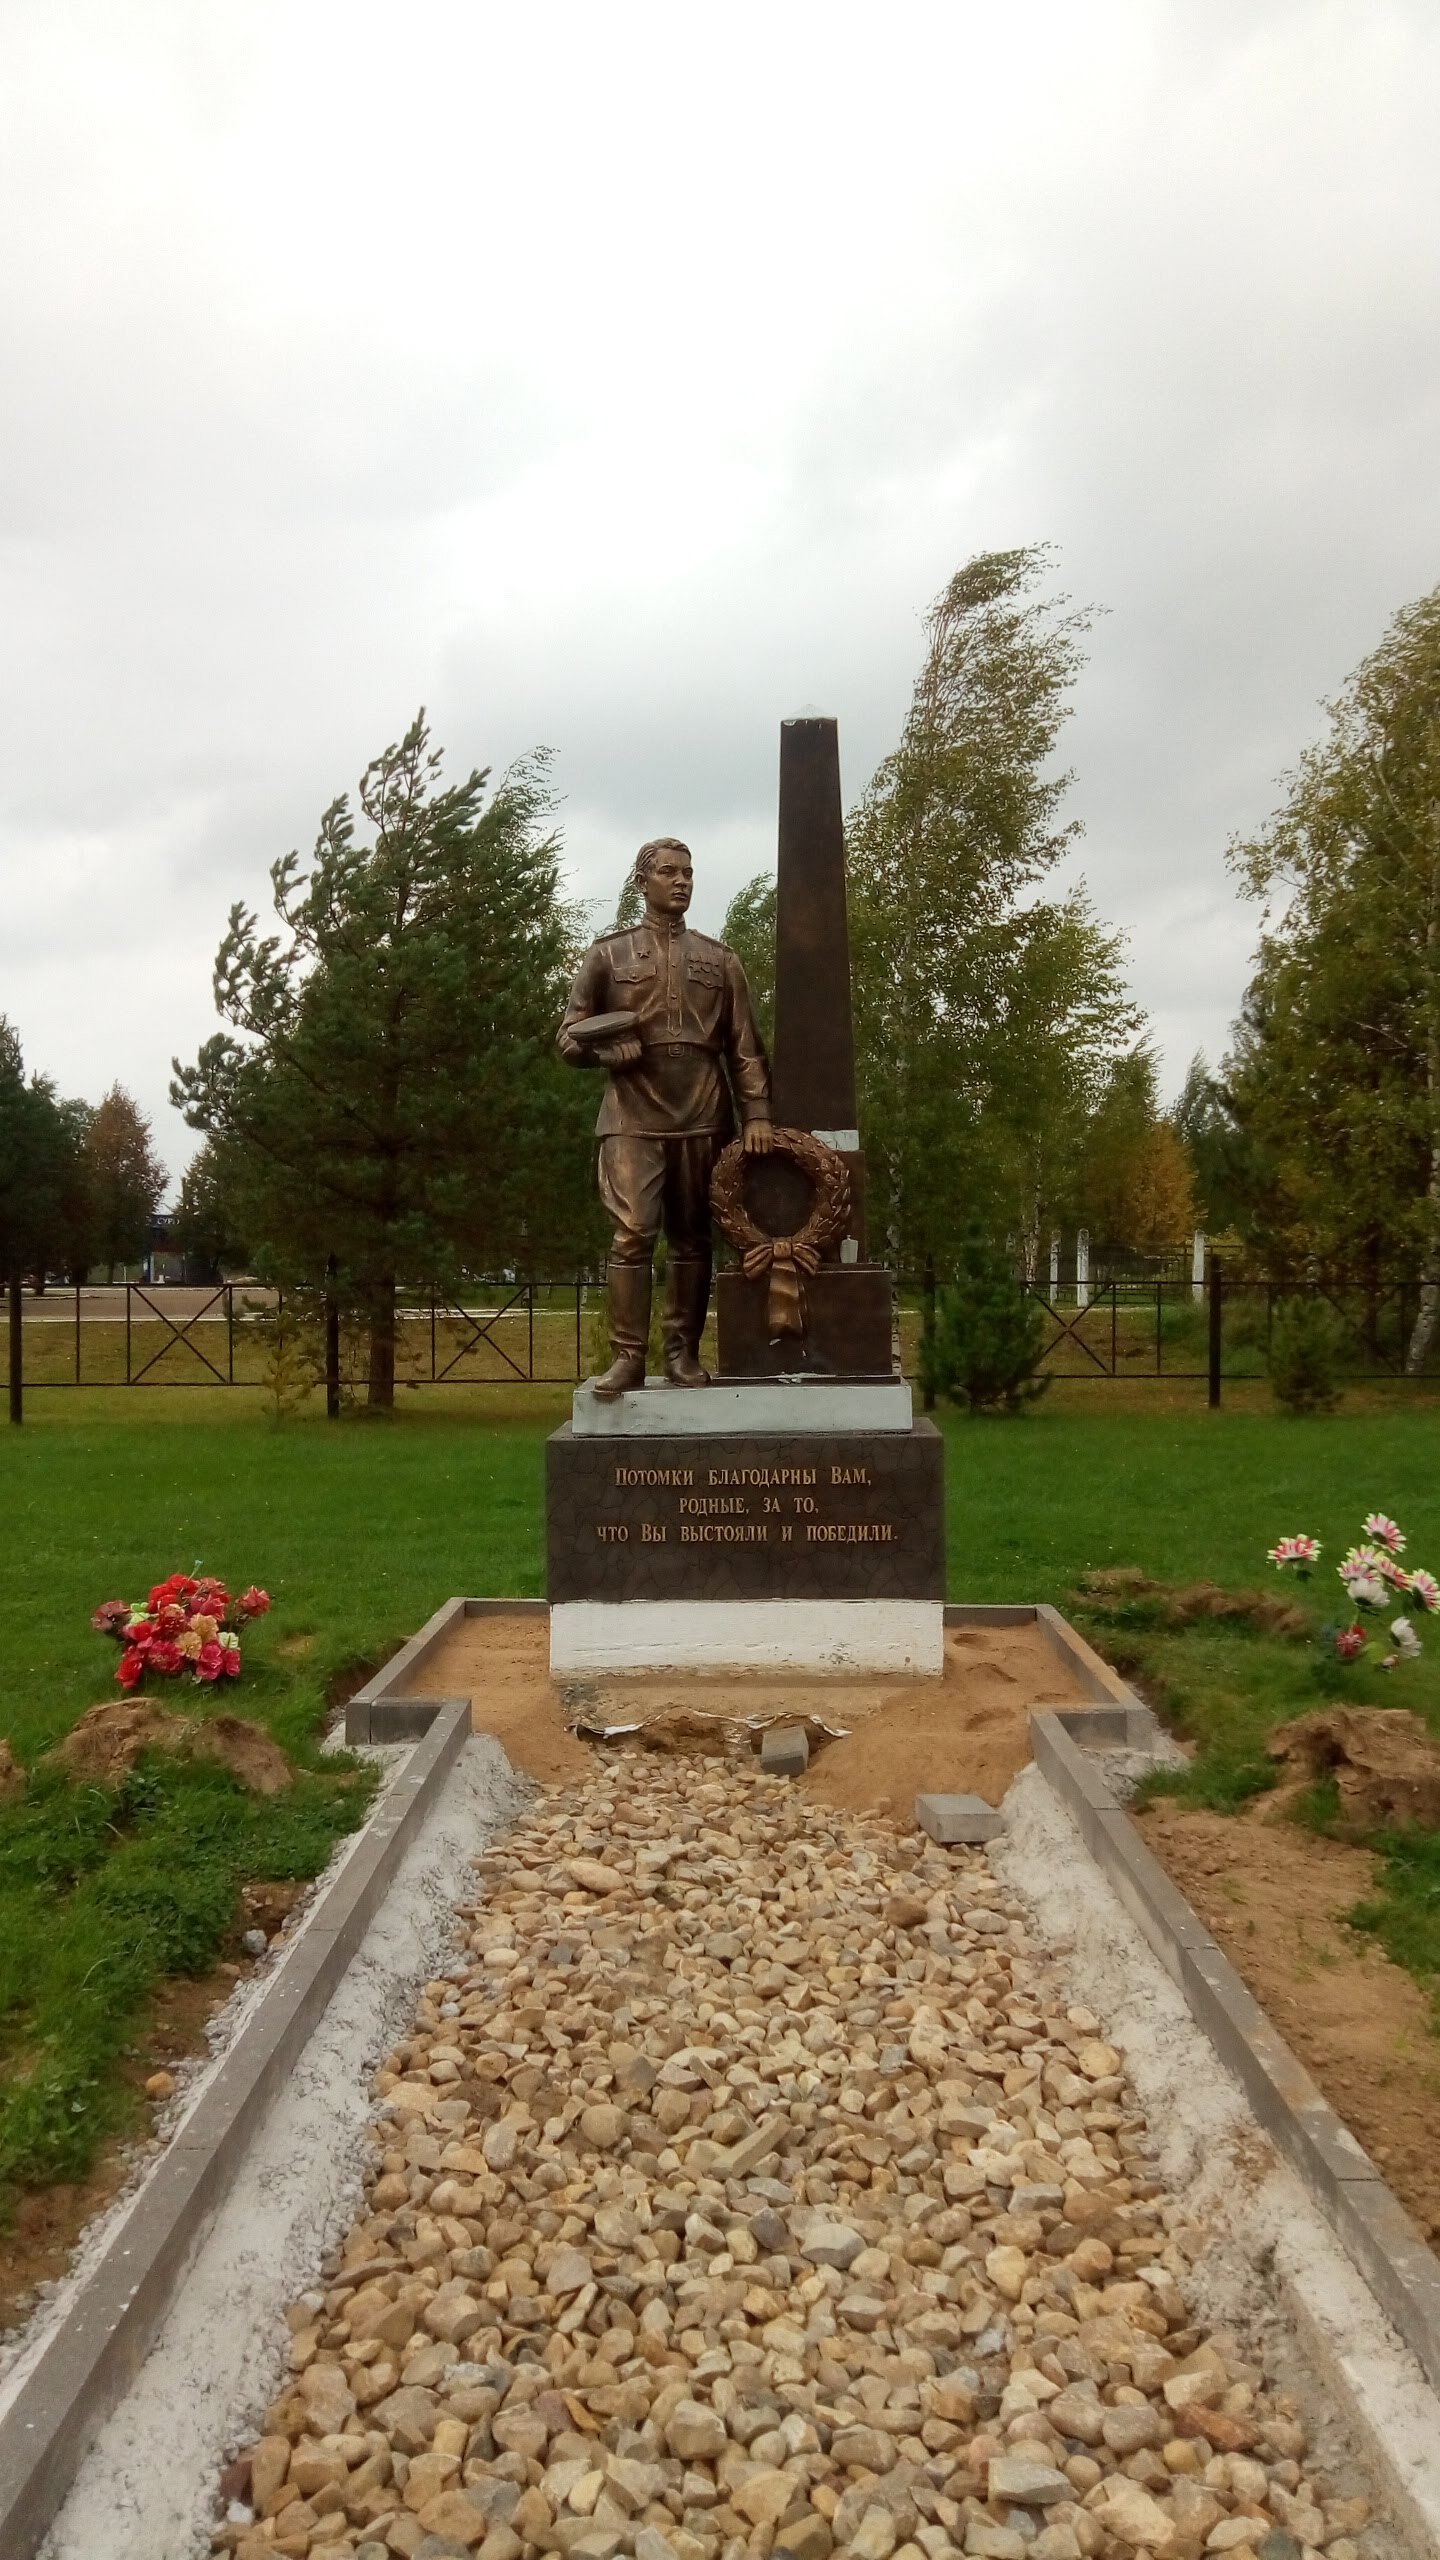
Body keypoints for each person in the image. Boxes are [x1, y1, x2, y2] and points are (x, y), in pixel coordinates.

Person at [558, 837, 773, 1396]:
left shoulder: (720, 959)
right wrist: (606, 1052)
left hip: (703, 1112)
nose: (681, 882)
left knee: (693, 1237)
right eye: (669, 873)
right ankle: (628, 1357)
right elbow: (567, 1039)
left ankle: (682, 1354)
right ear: (643, 883)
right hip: (631, 1115)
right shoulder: (608, 955)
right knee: (631, 1235)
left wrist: (757, 1114)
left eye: (688, 873)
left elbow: (744, 1046)